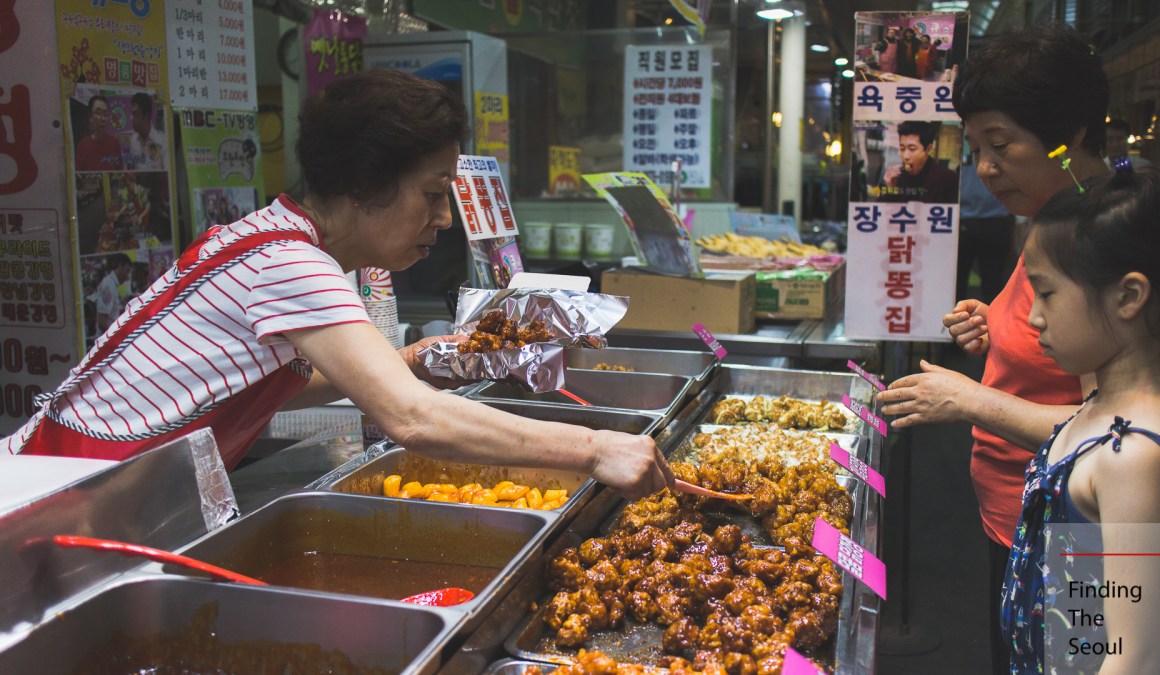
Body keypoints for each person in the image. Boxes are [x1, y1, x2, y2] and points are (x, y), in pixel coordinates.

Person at [1, 69, 674, 502]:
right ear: (362, 183)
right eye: (434, 195)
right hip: (58, 497)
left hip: (92, 492)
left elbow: (265, 371)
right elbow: (410, 418)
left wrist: (405, 361)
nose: (444, 219)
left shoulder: (271, 237)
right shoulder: (293, 264)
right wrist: (595, 447)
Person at [874, 26, 1111, 675]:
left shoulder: (1107, 241)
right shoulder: (1053, 218)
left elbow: (1125, 436)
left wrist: (971, 397)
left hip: (1078, 533)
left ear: (1072, 130)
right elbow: (1050, 340)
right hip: (1020, 519)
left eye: (1001, 145)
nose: (985, 169)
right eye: (976, 148)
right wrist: (997, 320)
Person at [1003, 163, 1160, 673]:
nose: (1033, 316)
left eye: (1046, 293)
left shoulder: (1134, 456)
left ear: (1128, 296)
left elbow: (1130, 656)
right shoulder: (1100, 403)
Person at [956, 162, 1015, 302]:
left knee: (993, 284)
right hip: (960, 221)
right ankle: (951, 321)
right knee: (955, 283)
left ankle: (993, 323)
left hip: (995, 221)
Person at [879, 120, 959, 203]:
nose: (906, 156)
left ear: (928, 149)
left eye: (912, 149)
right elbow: (881, 212)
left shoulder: (948, 180)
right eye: (902, 148)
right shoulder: (897, 179)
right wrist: (889, 189)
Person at [75, 95, 122, 171]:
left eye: (105, 114)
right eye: (98, 113)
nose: (103, 119)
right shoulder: (83, 145)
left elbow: (120, 173)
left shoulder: (114, 143)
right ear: (90, 117)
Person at [124, 92, 167, 171]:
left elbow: (168, 175)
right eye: (132, 114)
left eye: (135, 114)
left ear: (146, 116)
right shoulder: (134, 140)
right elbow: (130, 167)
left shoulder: (162, 141)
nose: (132, 118)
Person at [90, 253, 131, 333]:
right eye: (127, 271)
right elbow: (102, 321)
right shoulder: (109, 285)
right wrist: (121, 332)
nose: (128, 276)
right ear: (120, 266)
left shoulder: (112, 284)